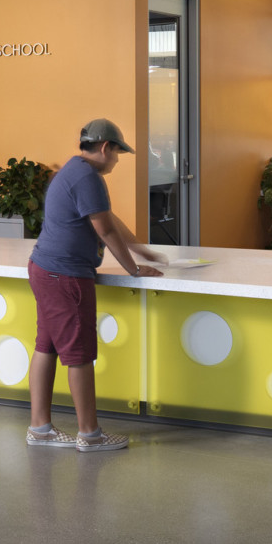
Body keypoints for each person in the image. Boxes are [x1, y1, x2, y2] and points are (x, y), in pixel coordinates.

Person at [27, 118, 163, 452]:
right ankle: (90, 435)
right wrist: (133, 269)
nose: (117, 160)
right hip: (66, 277)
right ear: (105, 148)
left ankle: (40, 428)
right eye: (118, 152)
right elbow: (104, 230)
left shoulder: (73, 171)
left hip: (45, 269)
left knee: (47, 346)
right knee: (79, 354)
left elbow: (108, 220)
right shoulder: (88, 178)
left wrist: (139, 249)